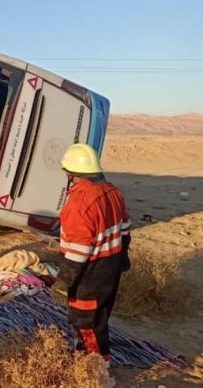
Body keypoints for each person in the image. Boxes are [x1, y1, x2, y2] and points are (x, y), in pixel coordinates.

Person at [50, 143, 132, 364]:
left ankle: (96, 368)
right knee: (100, 317)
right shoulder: (113, 192)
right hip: (111, 266)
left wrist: (64, 281)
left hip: (90, 273)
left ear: (71, 173)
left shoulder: (79, 202)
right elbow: (125, 229)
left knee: (85, 322)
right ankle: (85, 354)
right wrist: (122, 258)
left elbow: (79, 251)